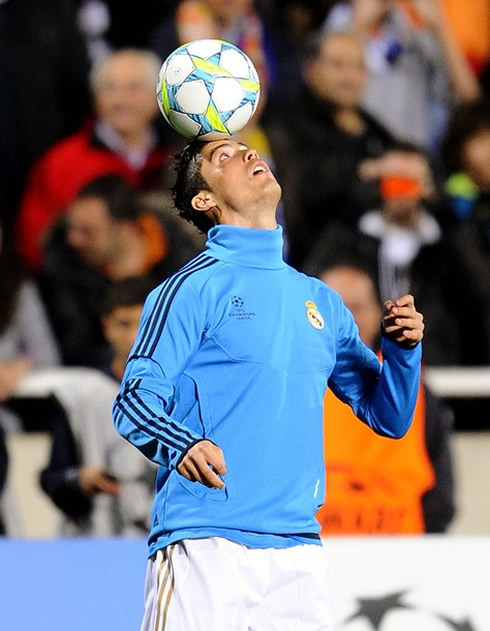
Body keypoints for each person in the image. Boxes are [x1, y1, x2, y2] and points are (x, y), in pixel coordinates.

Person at [113, 136, 424, 630]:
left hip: (298, 551)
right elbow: (132, 399)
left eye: (247, 148)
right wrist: (183, 443)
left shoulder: (319, 300)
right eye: (225, 157)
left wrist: (404, 353)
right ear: (204, 199)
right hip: (205, 540)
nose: (249, 154)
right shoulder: (190, 289)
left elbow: (388, 416)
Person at [315, 264, 454, 535]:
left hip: (400, 551)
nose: (348, 319)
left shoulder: (416, 389)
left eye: (356, 307)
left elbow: (441, 489)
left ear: (378, 312)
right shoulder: (291, 383)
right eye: (336, 308)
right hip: (316, 550)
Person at [15, 48, 174, 274]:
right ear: (95, 97)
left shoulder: (176, 157)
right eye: (110, 89)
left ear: (157, 96)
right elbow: (35, 245)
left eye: (134, 88)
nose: (121, 100)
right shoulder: (62, 163)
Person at [303, 143, 458, 365]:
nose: (403, 191)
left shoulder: (447, 242)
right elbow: (314, 285)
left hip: (437, 368)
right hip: (360, 363)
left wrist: (439, 198)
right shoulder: (347, 237)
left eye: (411, 181)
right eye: (395, 180)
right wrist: (362, 179)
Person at [40, 173, 203, 368]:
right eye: (71, 228)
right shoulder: (64, 268)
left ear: (125, 228)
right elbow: (73, 347)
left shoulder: (186, 259)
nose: (73, 239)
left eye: (88, 232)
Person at [265, 29, 396, 269]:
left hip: (375, 262)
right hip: (312, 263)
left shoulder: (371, 127)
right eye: (337, 65)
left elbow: (401, 157)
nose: (350, 77)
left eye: (358, 67)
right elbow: (307, 189)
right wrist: (369, 170)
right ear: (310, 70)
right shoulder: (284, 122)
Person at [39, 277, 156, 536]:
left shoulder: (187, 393)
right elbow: (52, 477)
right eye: (124, 324)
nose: (135, 336)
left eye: (145, 324)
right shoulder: (78, 395)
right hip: (95, 544)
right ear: (107, 327)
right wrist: (80, 480)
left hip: (161, 543)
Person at [324, 0, 481, 154]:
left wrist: (439, 26)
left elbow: (471, 100)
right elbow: (326, 95)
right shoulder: (332, 32)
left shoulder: (414, 37)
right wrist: (358, 25)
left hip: (412, 162)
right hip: (351, 157)